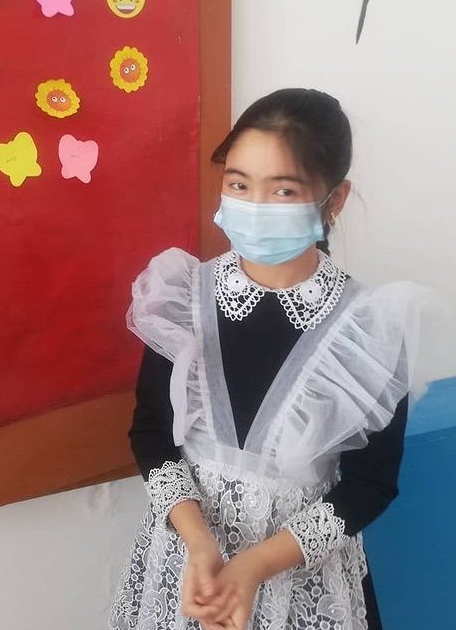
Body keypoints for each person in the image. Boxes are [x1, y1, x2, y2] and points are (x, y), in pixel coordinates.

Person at [109, 88, 430, 630]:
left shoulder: (369, 329)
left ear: (334, 200)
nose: (254, 207)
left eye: (283, 190)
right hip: (186, 572)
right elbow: (152, 433)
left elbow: (370, 483)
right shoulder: (184, 298)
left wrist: (255, 565)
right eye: (239, 184)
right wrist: (199, 542)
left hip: (304, 583)